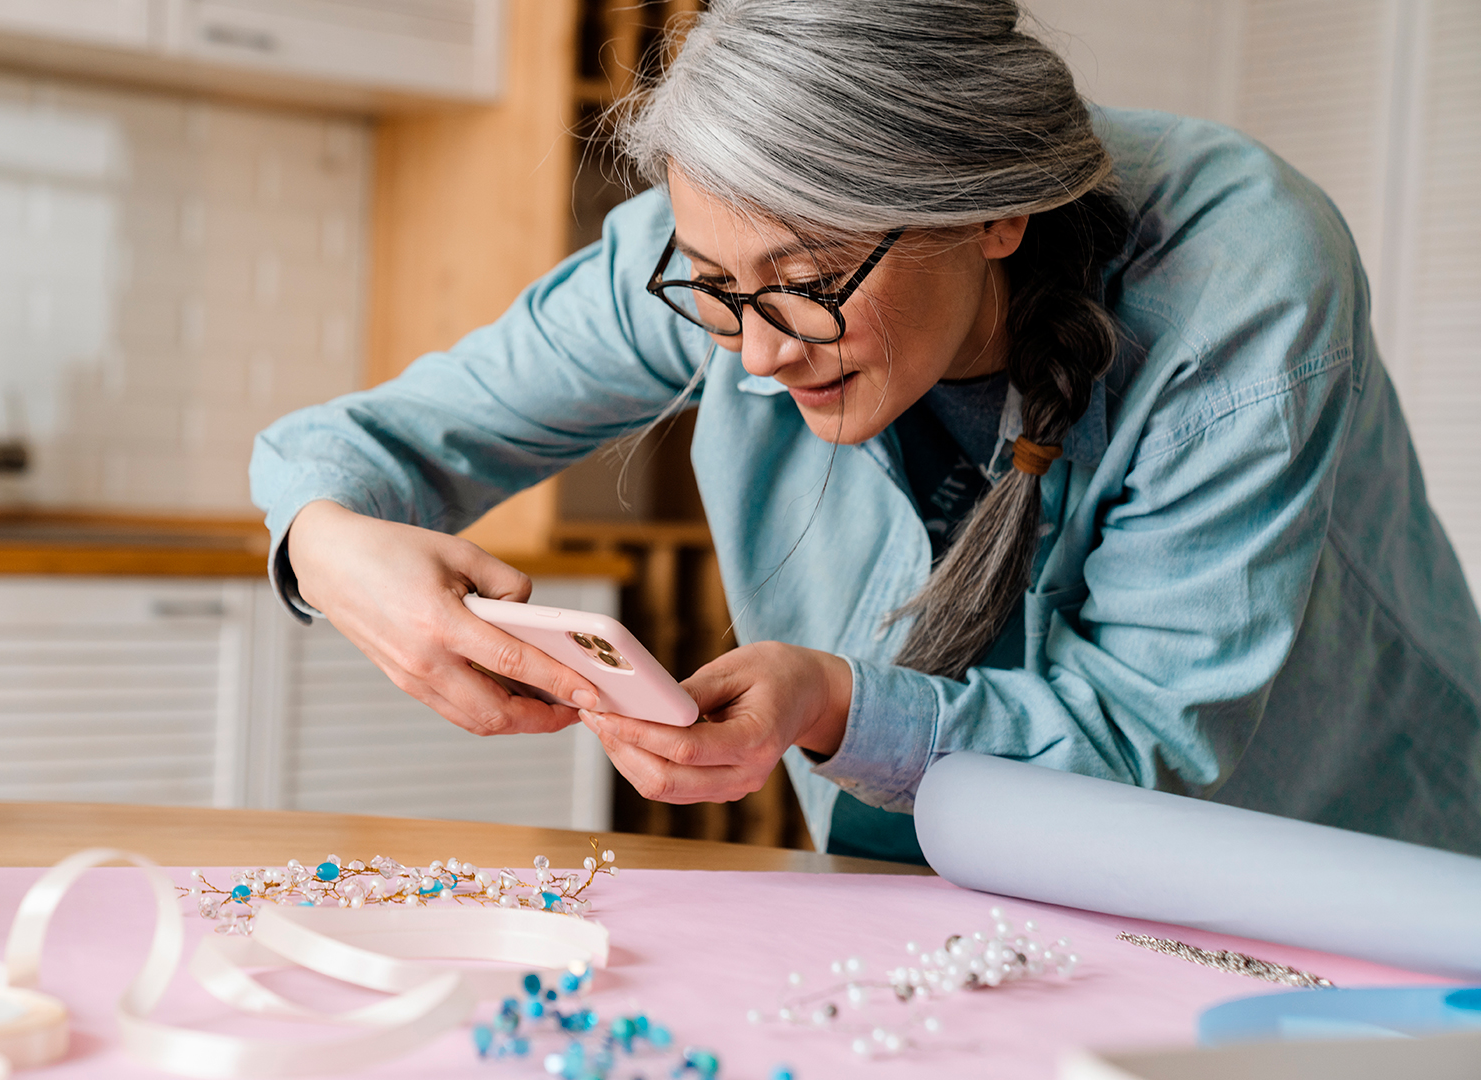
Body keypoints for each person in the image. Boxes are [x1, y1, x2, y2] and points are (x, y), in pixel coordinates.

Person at [250, 0, 1481, 862]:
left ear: (994, 215)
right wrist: (329, 547)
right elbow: (359, 448)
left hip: (1322, 866)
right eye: (714, 286)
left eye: (808, 283)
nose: (761, 349)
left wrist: (833, 704)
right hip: (950, 875)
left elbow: (1148, 740)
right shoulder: (720, 258)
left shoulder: (1244, 282)